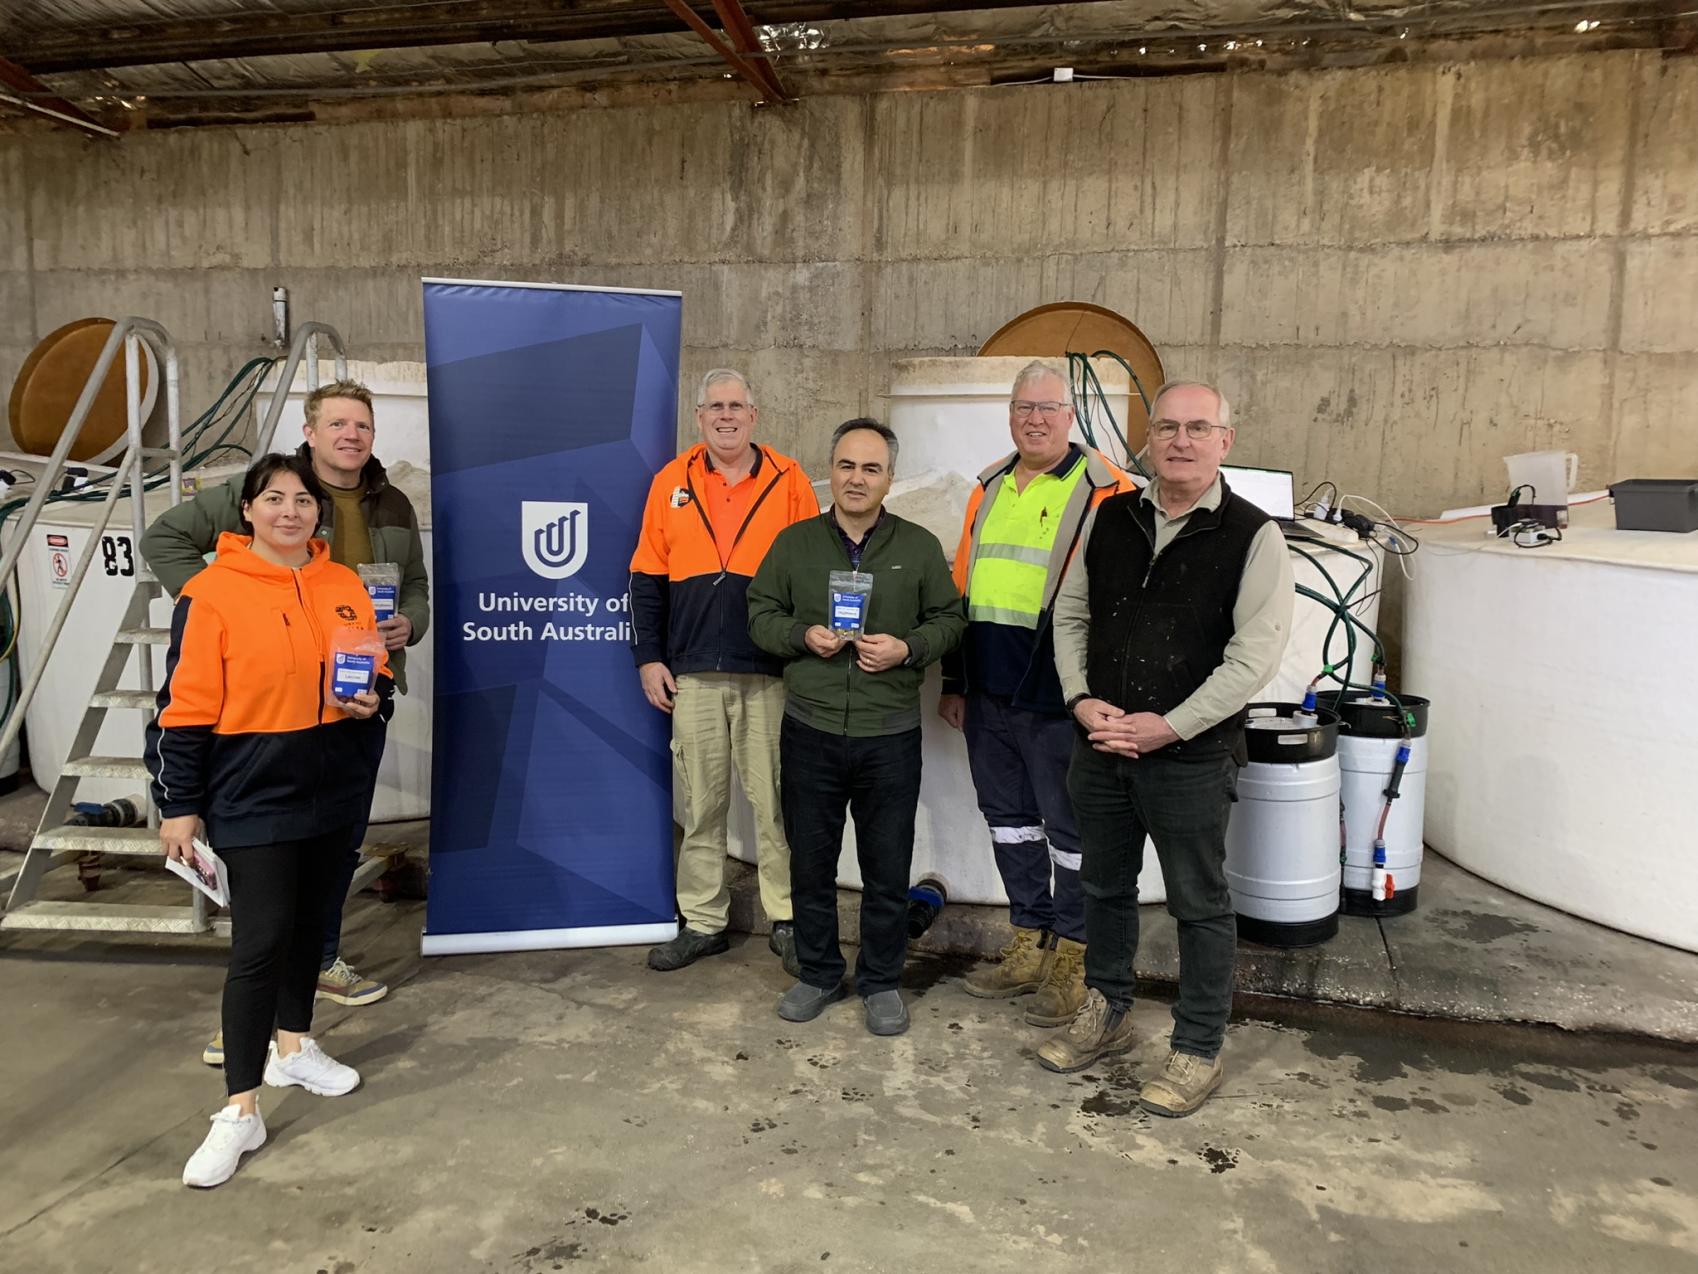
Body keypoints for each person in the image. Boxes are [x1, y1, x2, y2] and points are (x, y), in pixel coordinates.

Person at [142, 380, 428, 1062]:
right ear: (311, 429)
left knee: (334, 851)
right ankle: (251, 1030)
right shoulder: (271, 490)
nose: (350, 435)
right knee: (266, 910)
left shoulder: (391, 502)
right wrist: (212, 602)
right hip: (264, 731)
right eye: (337, 424)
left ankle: (318, 972)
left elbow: (414, 582)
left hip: (353, 709)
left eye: (361, 424)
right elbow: (166, 538)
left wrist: (409, 623)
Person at [1040, 381, 1293, 1118]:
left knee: (1199, 905)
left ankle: (1197, 1047)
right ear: (1148, 439)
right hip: (1102, 746)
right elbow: (1074, 612)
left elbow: (1253, 659)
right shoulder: (1111, 516)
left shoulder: (1253, 535)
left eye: (1198, 427)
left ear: (1226, 441)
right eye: (1167, 427)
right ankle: (1108, 1010)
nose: (1180, 440)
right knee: (1103, 888)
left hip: (1188, 757)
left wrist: (1170, 725)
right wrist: (1079, 698)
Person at [144, 454, 393, 1187]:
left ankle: (295, 1049)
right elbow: (182, 709)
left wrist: (371, 697)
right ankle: (240, 1110)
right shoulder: (211, 592)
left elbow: (370, 666)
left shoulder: (342, 583)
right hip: (253, 793)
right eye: (275, 498)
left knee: (310, 927)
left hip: (336, 783)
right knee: (258, 944)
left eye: (304, 500)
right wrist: (179, 806)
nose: (292, 511)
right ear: (247, 510)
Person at [747, 419, 966, 1037]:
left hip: (889, 735)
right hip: (810, 728)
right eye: (846, 465)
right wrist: (800, 636)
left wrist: (909, 648)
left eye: (871, 468)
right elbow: (760, 612)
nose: (856, 478)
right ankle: (817, 972)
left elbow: (951, 620)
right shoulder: (794, 544)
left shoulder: (918, 547)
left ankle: (880, 980)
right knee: (811, 862)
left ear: (889, 479)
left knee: (886, 866)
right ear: (832, 471)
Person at [939, 360, 1134, 1030]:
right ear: (1011, 413)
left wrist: (1091, 695)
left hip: (1060, 695)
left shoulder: (1108, 489)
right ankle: (1029, 940)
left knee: (1071, 834)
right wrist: (957, 681)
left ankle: (1075, 957)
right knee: (1008, 820)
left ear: (1071, 415)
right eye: (1024, 407)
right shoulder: (987, 487)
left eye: (1048, 408)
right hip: (989, 687)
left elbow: (1119, 607)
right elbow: (966, 589)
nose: (1034, 419)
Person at [629, 370, 819, 975]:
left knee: (776, 803)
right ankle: (704, 922)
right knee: (702, 805)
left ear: (755, 414)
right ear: (699, 415)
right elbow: (646, 578)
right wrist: (649, 657)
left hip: (770, 671)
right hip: (694, 675)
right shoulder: (671, 481)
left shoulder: (790, 480)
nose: (727, 415)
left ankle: (787, 919)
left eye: (737, 405)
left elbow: (814, 572)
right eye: (716, 406)